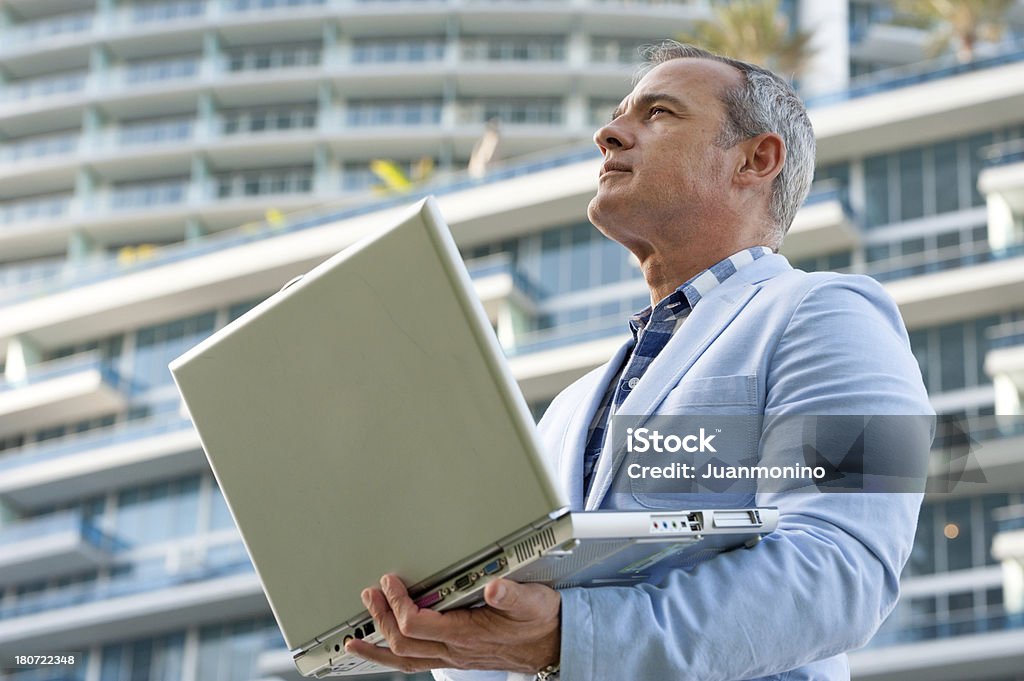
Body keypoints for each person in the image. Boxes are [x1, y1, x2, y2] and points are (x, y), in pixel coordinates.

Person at [345, 41, 934, 681]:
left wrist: (568, 639)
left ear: (756, 159)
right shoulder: (566, 412)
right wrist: (448, 636)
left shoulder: (833, 313)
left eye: (657, 113)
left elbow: (844, 568)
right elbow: (518, 628)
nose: (608, 134)